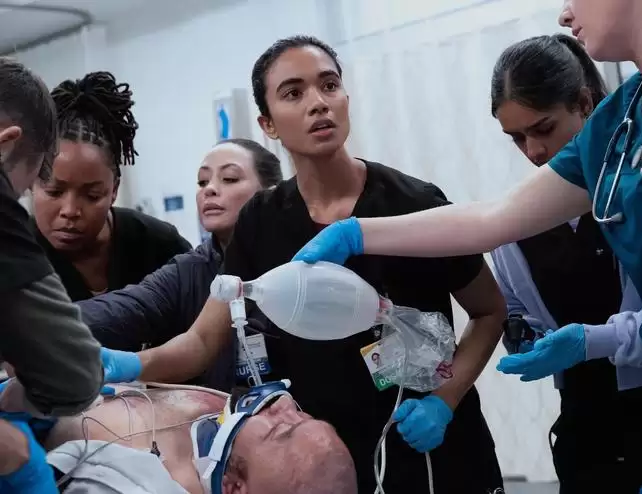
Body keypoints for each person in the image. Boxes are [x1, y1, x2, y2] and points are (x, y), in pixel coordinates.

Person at [101, 35, 507, 493]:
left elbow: (489, 311)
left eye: (329, 85)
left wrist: (444, 402)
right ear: (268, 124)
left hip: (436, 454)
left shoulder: (414, 203)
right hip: (326, 463)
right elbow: (201, 341)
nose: (318, 103)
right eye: (293, 93)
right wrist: (128, 365)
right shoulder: (260, 221)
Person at [293, 0, 642, 373]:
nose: (565, 14)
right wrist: (356, 233)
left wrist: (604, 339)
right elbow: (493, 219)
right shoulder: (618, 121)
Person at [490, 34, 642, 492]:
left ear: (585, 104)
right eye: (516, 138)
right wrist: (521, 336)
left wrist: (592, 341)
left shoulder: (636, 201)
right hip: (583, 432)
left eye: (543, 129)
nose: (533, 151)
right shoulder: (514, 227)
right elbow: (515, 310)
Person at [80, 139, 282, 388]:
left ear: (272, 192)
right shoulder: (189, 271)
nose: (210, 189)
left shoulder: (296, 263)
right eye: (202, 182)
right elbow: (128, 307)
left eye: (229, 179)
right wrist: (45, 324)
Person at [0, 57, 103, 492]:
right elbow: (74, 377)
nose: (69, 211)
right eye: (34, 187)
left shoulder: (158, 244)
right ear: (5, 144)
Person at [30, 71, 191, 302]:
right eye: (54, 192)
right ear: (31, 181)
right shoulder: (12, 254)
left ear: (114, 190)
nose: (70, 211)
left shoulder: (160, 246)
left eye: (92, 195)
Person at [42, 381, 357, 494]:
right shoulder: (223, 415)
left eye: (282, 429)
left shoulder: (131, 485)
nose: (284, 404)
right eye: (304, 415)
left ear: (233, 487)